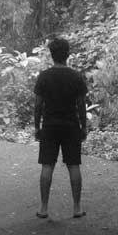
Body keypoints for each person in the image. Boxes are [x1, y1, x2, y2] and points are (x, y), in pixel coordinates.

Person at [33, 36, 88, 219]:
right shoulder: (76, 76)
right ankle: (77, 207)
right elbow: (81, 105)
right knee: (74, 165)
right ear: (68, 54)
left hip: (49, 126)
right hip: (71, 126)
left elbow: (38, 105)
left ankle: (43, 207)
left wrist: (37, 127)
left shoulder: (44, 76)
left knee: (47, 165)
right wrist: (83, 126)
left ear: (51, 54)